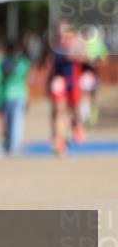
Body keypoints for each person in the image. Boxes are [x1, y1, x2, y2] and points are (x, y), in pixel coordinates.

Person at [48, 20, 87, 155]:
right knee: (59, 110)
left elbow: (85, 57)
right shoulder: (56, 45)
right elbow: (53, 66)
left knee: (74, 110)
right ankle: (59, 141)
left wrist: (75, 55)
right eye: (59, 30)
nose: (61, 32)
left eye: (64, 29)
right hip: (60, 81)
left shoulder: (76, 41)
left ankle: (77, 126)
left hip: (74, 80)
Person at [1, 41, 31, 155]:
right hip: (19, 94)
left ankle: (10, 144)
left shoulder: (5, 62)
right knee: (17, 121)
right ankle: (15, 145)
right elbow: (26, 80)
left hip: (8, 94)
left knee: (9, 121)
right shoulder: (23, 63)